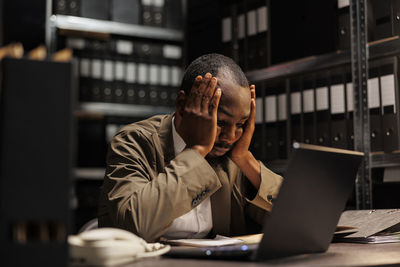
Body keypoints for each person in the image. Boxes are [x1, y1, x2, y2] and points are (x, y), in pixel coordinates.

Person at [98, 53, 283, 242]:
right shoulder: (134, 141)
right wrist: (197, 151)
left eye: (240, 124)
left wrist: (246, 160)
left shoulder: (232, 157)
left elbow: (298, 219)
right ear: (182, 105)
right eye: (220, 122)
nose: (230, 136)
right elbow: (133, 227)